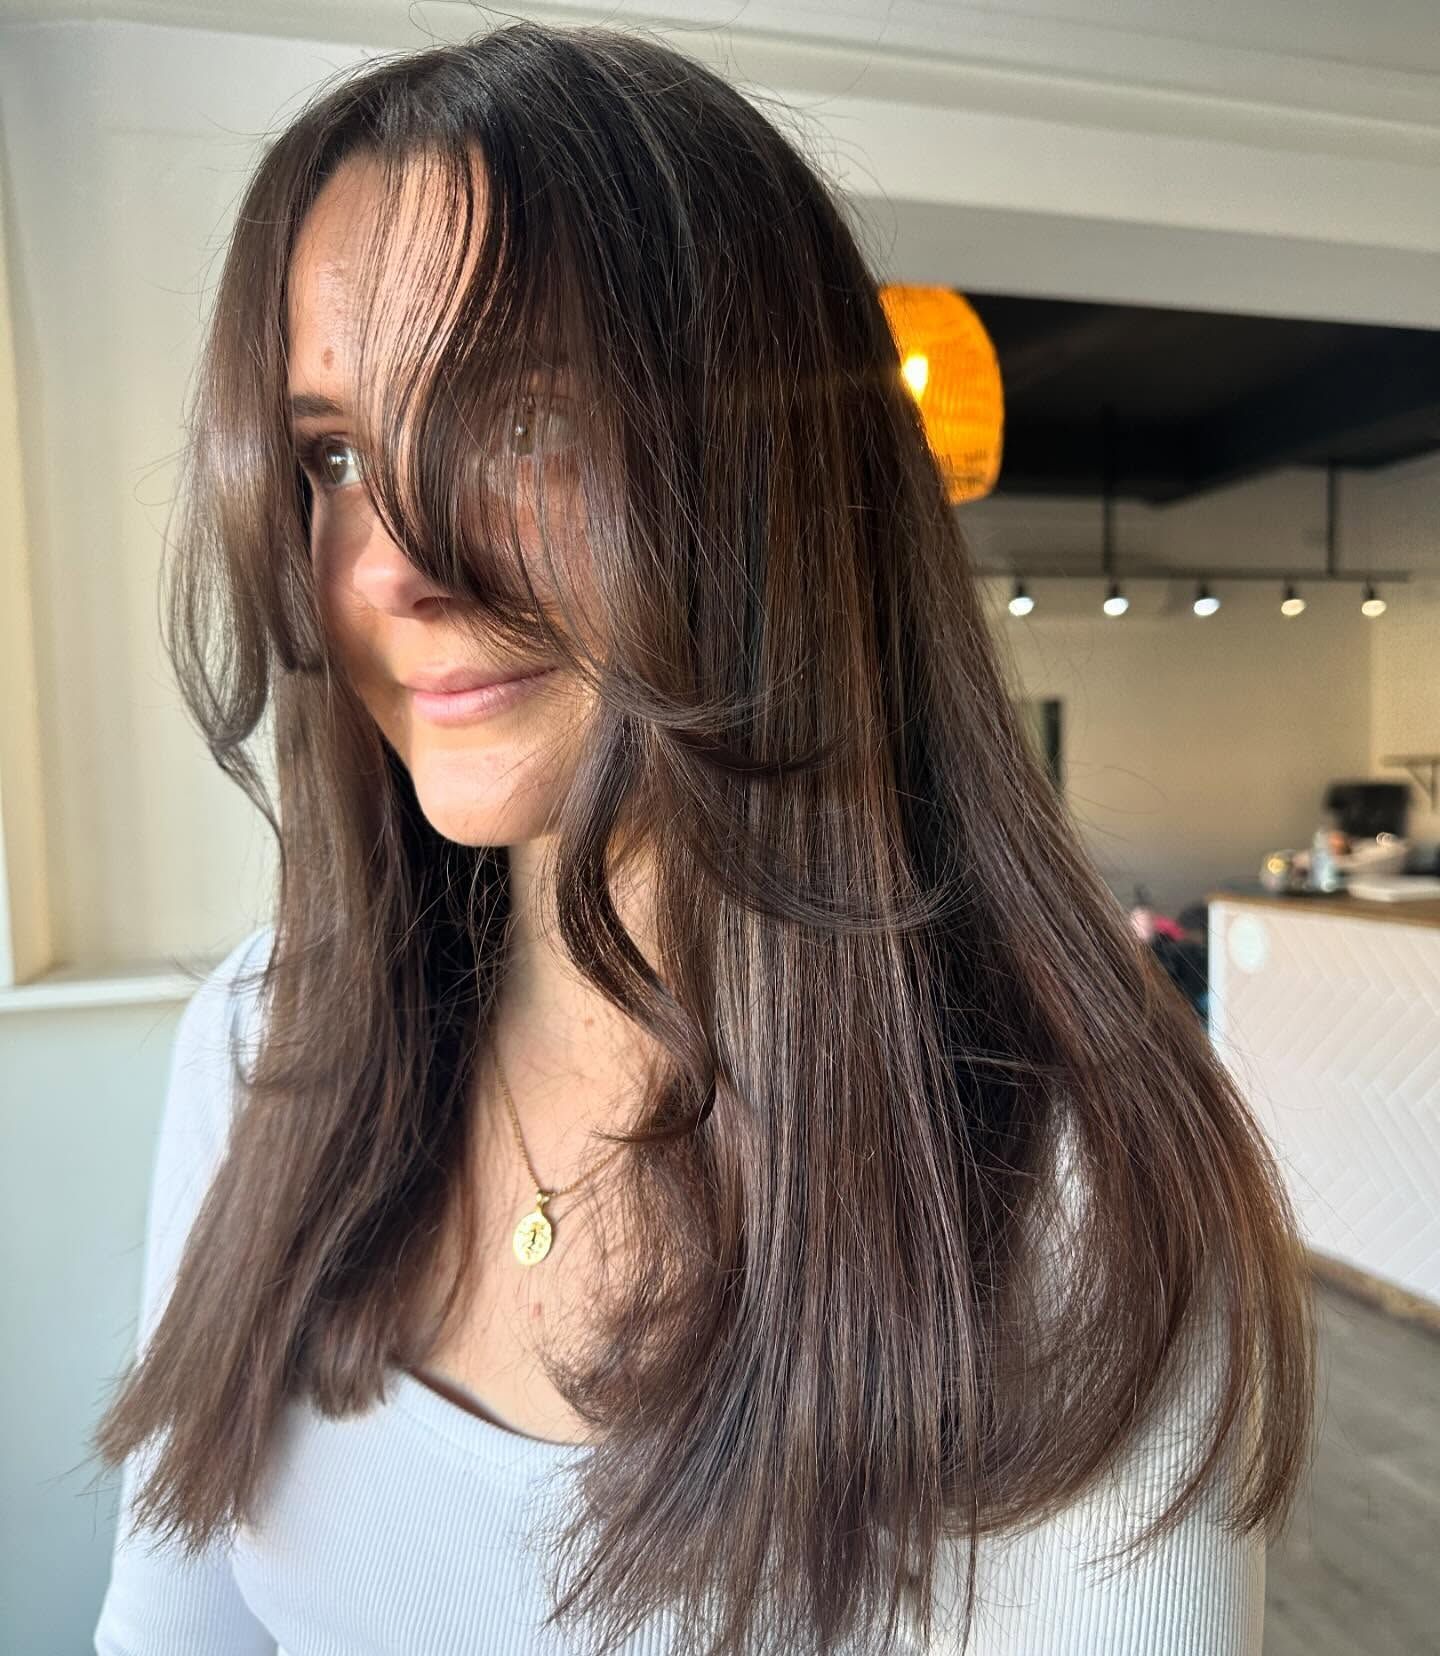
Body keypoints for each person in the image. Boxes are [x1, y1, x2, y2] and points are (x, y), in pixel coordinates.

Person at [89, 21, 1316, 1655]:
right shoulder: (255, 1054)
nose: (397, 568)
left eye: (520, 424)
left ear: (766, 481)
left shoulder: (1072, 1199)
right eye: (333, 456)